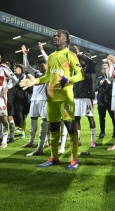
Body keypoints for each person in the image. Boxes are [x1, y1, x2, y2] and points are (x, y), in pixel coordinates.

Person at [20, 29, 84, 169]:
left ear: (65, 39)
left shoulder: (70, 55)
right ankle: (54, 157)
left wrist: (68, 80)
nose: (55, 37)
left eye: (58, 36)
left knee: (71, 127)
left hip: (65, 98)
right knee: (53, 128)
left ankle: (74, 158)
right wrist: (35, 81)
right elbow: (48, 77)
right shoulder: (51, 57)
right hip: (51, 99)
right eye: (54, 36)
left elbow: (80, 75)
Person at [21, 43, 48, 149]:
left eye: (42, 65)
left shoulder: (49, 74)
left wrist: (42, 50)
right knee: (33, 122)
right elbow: (27, 67)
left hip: (44, 100)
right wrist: (24, 55)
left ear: (46, 65)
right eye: (39, 66)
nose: (40, 67)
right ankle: (31, 141)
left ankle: (45, 141)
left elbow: (49, 60)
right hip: (34, 100)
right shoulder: (36, 73)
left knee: (44, 122)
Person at [72, 45, 97, 148]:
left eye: (83, 59)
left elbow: (92, 63)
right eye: (80, 59)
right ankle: (78, 139)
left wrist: (80, 55)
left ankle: (92, 140)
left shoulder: (91, 69)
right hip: (77, 96)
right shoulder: (77, 68)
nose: (81, 60)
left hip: (87, 96)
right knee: (76, 119)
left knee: (90, 118)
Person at [94, 63, 115, 138]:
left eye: (107, 68)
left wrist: (106, 83)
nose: (105, 70)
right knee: (101, 118)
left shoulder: (113, 78)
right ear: (101, 70)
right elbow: (95, 89)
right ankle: (102, 132)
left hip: (110, 101)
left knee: (113, 117)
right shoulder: (99, 78)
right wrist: (100, 84)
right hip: (101, 102)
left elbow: (113, 88)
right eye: (104, 69)